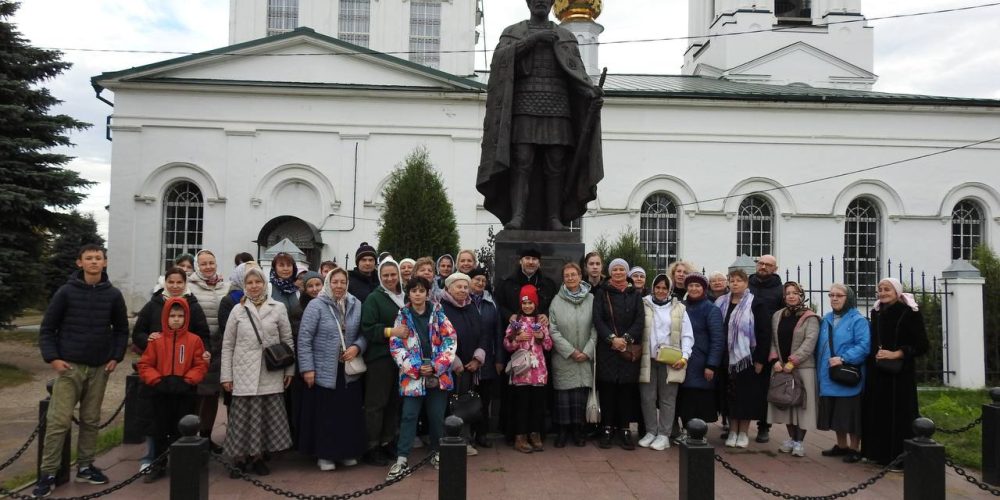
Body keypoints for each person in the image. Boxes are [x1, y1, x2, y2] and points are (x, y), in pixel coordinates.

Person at [477, 0, 603, 231]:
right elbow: (500, 62)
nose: (540, 3)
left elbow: (576, 75)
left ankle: (554, 218)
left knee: (555, 164)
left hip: (558, 107)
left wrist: (590, 92)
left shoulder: (565, 36)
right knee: (522, 162)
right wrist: (532, 41)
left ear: (552, 2)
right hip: (524, 105)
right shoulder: (513, 32)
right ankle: (517, 216)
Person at [34, 244, 129, 498]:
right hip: (70, 366)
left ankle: (85, 465)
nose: (94, 262)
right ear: (80, 263)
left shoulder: (113, 295)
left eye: (98, 258)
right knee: (58, 421)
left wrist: (115, 357)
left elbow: (121, 329)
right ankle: (48, 473)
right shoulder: (66, 292)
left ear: (105, 262)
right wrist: (53, 358)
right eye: (89, 258)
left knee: (90, 419)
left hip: (99, 366)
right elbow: (47, 329)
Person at [133, 266, 211, 470]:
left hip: (184, 388)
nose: (176, 319)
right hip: (159, 389)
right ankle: (156, 462)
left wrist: (189, 379)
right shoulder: (156, 339)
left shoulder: (193, 337)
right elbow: (145, 363)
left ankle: (183, 464)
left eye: (180, 316)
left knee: (183, 427)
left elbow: (199, 361)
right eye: (172, 316)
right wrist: (156, 380)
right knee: (158, 428)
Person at [220, 266, 294, 476]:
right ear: (244, 285)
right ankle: (239, 459)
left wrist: (290, 370)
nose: (254, 286)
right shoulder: (238, 310)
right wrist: (226, 375)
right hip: (243, 371)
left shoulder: (278, 307)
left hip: (269, 370)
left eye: (258, 282)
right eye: (250, 283)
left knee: (264, 417)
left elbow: (287, 340)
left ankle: (258, 457)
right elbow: (228, 344)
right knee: (242, 419)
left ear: (264, 283)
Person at [386, 276, 458, 480]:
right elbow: (396, 345)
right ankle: (402, 458)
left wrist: (437, 366)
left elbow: (450, 340)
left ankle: (436, 452)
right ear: (408, 293)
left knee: (436, 416)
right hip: (413, 376)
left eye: (421, 290)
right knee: (409, 415)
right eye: (414, 290)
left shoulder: (438, 314)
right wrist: (416, 368)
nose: (418, 294)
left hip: (437, 373)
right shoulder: (402, 316)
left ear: (428, 293)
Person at [297, 268, 368, 471]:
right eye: (335, 281)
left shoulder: (355, 304)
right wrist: (307, 369)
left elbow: (364, 334)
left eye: (342, 282)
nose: (339, 286)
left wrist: (357, 347)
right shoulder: (316, 305)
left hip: (347, 369)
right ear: (328, 283)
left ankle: (346, 452)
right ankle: (325, 455)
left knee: (347, 414)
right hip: (323, 369)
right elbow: (304, 339)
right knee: (326, 415)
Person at [861, 278, 929, 471]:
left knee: (899, 414)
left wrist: (896, 353)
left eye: (887, 289)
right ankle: (879, 454)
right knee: (878, 412)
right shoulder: (877, 313)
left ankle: (899, 457)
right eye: (880, 290)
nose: (883, 293)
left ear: (897, 292)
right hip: (878, 371)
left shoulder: (909, 313)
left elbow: (922, 345)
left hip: (900, 374)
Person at [715, 269, 770, 449]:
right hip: (725, 359)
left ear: (746, 283)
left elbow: (764, 333)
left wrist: (760, 360)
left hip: (747, 358)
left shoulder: (756, 304)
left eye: (739, 280)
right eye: (732, 280)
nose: (735, 283)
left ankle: (744, 432)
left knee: (745, 397)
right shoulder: (721, 302)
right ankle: (732, 430)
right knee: (729, 396)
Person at [593, 258, 644, 450]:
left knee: (625, 392)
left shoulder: (635, 295)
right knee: (607, 391)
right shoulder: (601, 293)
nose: (618, 272)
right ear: (610, 272)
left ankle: (624, 429)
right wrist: (612, 339)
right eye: (615, 269)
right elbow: (597, 319)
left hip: (628, 351)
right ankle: (607, 428)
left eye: (622, 269)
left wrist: (627, 339)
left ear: (627, 272)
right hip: (608, 349)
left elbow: (640, 320)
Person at [638, 274, 693, 451]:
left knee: (668, 399)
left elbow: (687, 334)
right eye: (658, 287)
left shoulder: (679, 308)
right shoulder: (644, 304)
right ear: (653, 288)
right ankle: (651, 431)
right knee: (647, 397)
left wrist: (684, 356)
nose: (660, 291)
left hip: (670, 360)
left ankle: (664, 435)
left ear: (669, 290)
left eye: (664, 288)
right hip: (648, 359)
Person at [816, 284, 870, 464]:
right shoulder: (826, 319)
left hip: (846, 372)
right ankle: (841, 445)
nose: (834, 298)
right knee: (836, 412)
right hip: (829, 374)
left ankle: (855, 448)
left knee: (851, 414)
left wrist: (844, 358)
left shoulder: (858, 320)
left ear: (849, 298)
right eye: (831, 295)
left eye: (839, 295)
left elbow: (864, 346)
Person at [360, 258, 407, 466]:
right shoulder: (374, 298)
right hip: (380, 358)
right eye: (385, 275)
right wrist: (391, 332)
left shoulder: (404, 297)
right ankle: (372, 446)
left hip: (401, 359)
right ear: (380, 276)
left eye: (392, 274)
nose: (389, 278)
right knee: (376, 404)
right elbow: (368, 328)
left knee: (393, 404)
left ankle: (388, 441)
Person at [767, 282, 820, 458]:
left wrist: (794, 361)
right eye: (788, 293)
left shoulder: (810, 317)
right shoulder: (777, 315)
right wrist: (775, 359)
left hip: (802, 368)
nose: (791, 296)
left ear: (801, 295)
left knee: (801, 405)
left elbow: (810, 342)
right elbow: (773, 339)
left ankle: (799, 442)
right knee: (786, 404)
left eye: (795, 293)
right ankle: (791, 438)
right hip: (781, 367)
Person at [438, 272, 488, 456]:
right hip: (450, 367)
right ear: (449, 288)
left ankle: (465, 440)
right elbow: (439, 337)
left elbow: (483, 333)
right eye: (458, 287)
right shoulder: (441, 308)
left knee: (466, 404)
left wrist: (477, 357)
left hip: (470, 366)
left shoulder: (472, 307)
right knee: (449, 405)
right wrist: (454, 361)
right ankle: (448, 439)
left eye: (466, 287)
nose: (463, 290)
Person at [548, 262, 596, 448]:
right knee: (564, 396)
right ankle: (562, 431)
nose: (570, 278)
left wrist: (587, 351)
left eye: (573, 275)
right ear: (563, 279)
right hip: (564, 357)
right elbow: (553, 330)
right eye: (566, 275)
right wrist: (570, 351)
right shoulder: (556, 301)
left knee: (579, 397)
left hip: (585, 355)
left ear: (580, 277)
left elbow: (596, 326)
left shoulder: (591, 299)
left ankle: (578, 430)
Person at [504, 285, 553, 453]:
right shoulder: (516, 322)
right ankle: (520, 436)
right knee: (522, 405)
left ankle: (535, 434)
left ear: (535, 304)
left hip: (538, 372)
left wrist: (542, 337)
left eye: (530, 303)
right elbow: (507, 345)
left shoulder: (541, 322)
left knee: (537, 405)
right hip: (521, 372)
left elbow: (548, 346)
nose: (527, 307)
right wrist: (517, 339)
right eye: (524, 303)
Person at [187, 250, 229, 449]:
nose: (208, 267)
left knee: (212, 394)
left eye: (211, 263)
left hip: (218, 346)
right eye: (203, 264)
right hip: (196, 346)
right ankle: (190, 433)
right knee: (196, 392)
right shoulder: (189, 287)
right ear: (197, 266)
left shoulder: (224, 286)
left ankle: (206, 435)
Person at [678, 273, 724, 432]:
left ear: (704, 289)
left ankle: (697, 433)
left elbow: (717, 339)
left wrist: (711, 364)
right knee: (684, 399)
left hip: (701, 362)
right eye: (691, 285)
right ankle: (685, 430)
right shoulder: (681, 306)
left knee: (698, 399)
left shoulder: (711, 309)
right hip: (683, 360)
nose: (693, 288)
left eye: (697, 286)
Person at [748, 254, 783, 443]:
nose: (763, 267)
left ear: (774, 269)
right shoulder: (748, 285)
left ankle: (764, 426)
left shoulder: (780, 290)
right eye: (760, 263)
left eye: (768, 265)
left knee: (764, 388)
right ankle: (734, 423)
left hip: (768, 342)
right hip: (745, 341)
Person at [468, 267, 501, 449]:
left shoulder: (491, 302)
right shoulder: (463, 300)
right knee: (466, 398)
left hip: (488, 358)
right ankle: (466, 434)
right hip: (467, 358)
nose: (480, 283)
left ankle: (482, 433)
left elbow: (498, 331)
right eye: (476, 280)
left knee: (484, 399)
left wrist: (499, 359)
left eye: (483, 280)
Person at [268, 252, 301, 326]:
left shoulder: (297, 290)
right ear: (275, 268)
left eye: (289, 265)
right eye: (281, 265)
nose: (286, 269)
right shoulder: (268, 288)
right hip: (275, 335)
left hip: (296, 335)